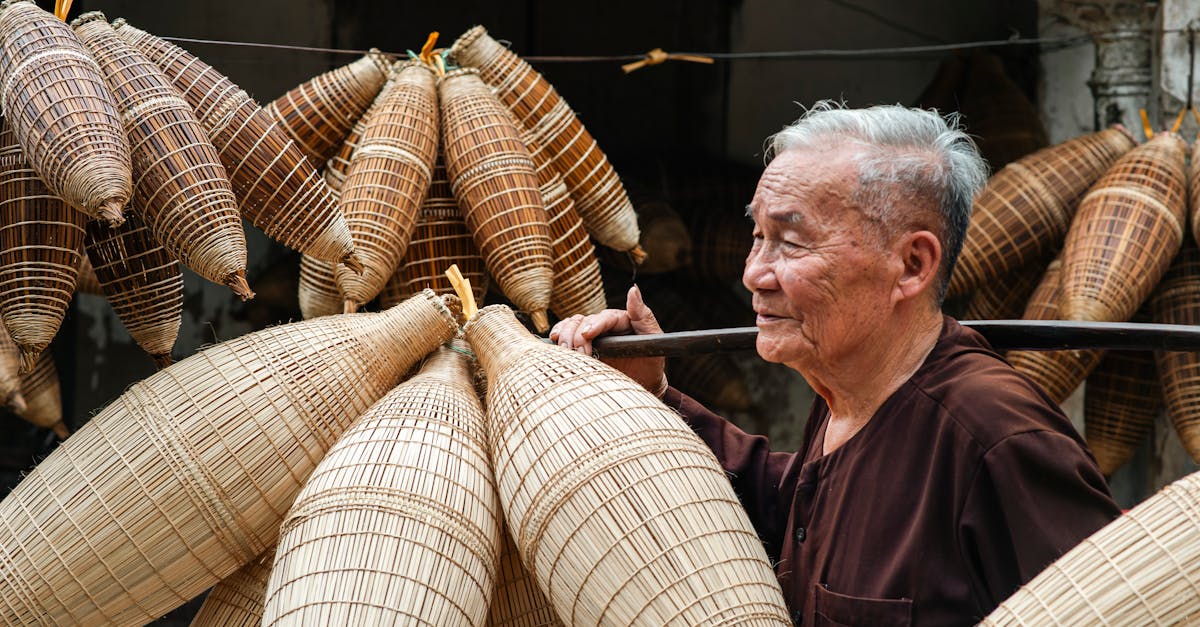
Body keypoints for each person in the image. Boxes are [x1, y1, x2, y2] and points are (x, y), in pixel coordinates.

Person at [550, 102, 1120, 626]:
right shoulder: (850, 399)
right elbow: (789, 509)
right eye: (758, 236)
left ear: (911, 264)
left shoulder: (995, 437)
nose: (754, 273)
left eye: (792, 243)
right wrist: (657, 393)